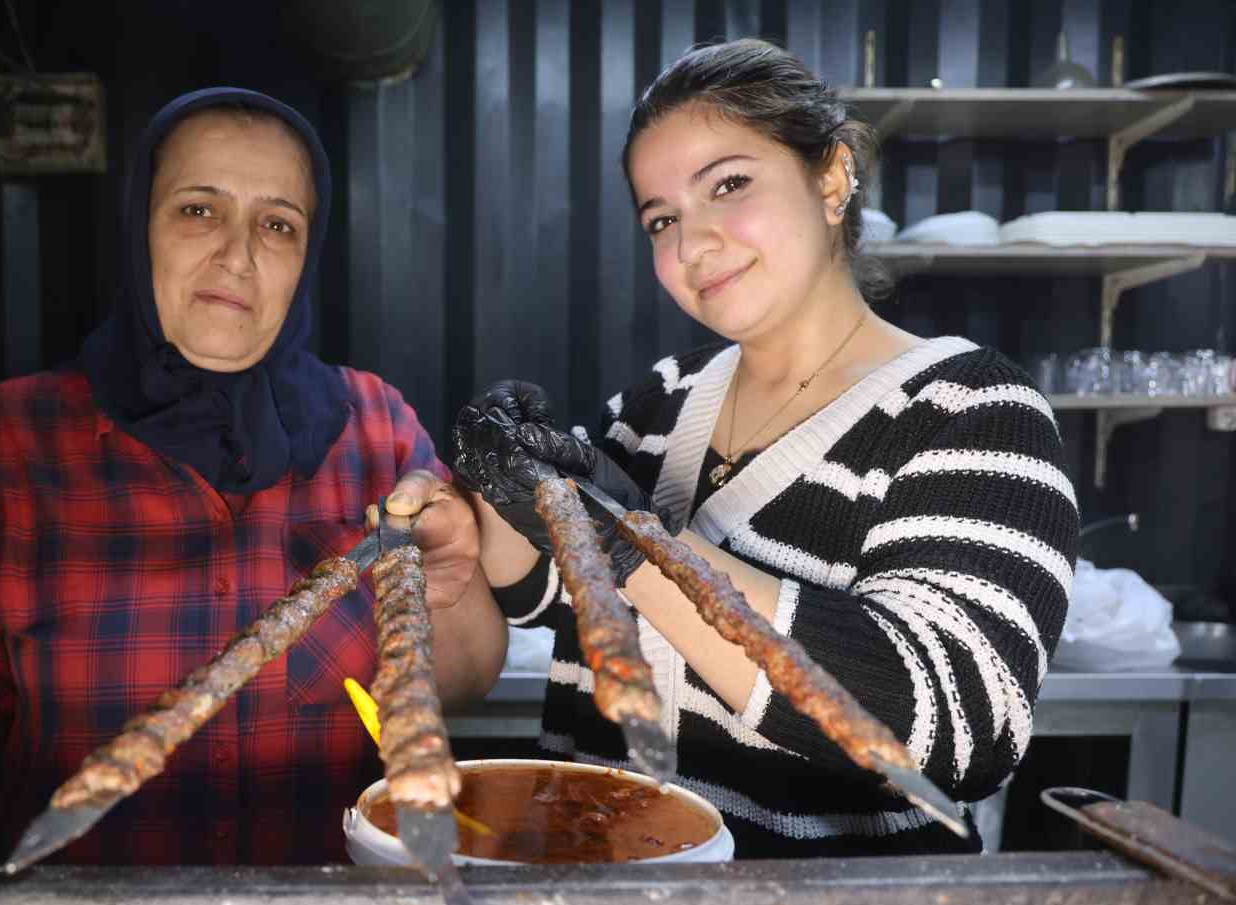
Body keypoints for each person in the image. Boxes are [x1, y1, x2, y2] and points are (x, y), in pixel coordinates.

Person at [0, 88, 505, 866]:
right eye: (198, 210)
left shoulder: (374, 428)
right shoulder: (17, 439)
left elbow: (461, 682)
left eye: (277, 225)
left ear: (306, 259)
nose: (238, 255)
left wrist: (441, 580)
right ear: (137, 229)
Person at [453, 40, 1078, 858]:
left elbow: (956, 729)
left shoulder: (970, 411)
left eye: (729, 185)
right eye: (662, 219)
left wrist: (640, 546)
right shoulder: (660, 402)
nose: (693, 245)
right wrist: (498, 489)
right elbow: (544, 595)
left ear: (832, 177)